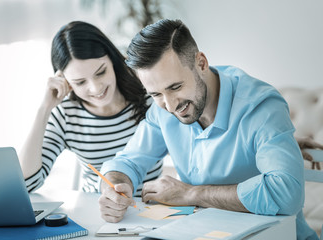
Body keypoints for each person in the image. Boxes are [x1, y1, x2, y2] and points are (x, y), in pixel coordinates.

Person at [98, 19, 318, 239]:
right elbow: (128, 161)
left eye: (176, 87)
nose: (171, 105)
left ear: (201, 63)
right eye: (155, 94)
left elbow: (287, 194)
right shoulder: (163, 110)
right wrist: (115, 186)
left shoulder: (261, 107)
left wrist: (191, 193)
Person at [18, 21, 163, 196]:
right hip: (96, 210)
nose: (96, 88)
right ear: (65, 81)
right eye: (80, 82)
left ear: (112, 59)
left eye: (101, 72)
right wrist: (44, 109)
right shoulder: (66, 116)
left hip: (151, 210)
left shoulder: (150, 96)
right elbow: (27, 184)